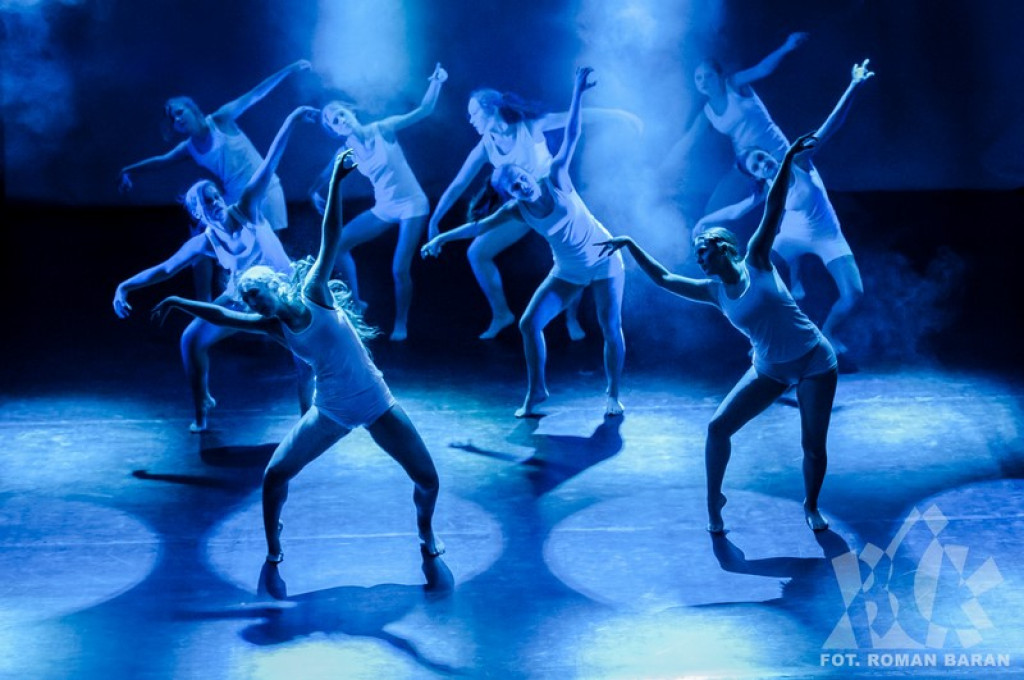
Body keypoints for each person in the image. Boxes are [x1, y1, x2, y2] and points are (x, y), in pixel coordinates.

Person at [152, 151, 444, 564]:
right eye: (248, 300)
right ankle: (274, 545)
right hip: (331, 410)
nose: (252, 304)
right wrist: (178, 300)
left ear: (274, 284)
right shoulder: (273, 326)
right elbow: (223, 315)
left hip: (376, 402)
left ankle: (426, 530)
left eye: (255, 294)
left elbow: (331, 235)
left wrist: (337, 180)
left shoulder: (314, 292)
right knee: (274, 475)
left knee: (428, 479)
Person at [599, 133, 836, 534]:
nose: (698, 259)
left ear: (723, 246)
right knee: (717, 428)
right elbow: (664, 278)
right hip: (769, 369)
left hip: (814, 360)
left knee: (812, 446)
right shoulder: (713, 291)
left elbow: (775, 206)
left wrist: (789, 159)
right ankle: (714, 502)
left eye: (702, 251)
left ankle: (811, 505)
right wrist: (629, 243)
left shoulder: (757, 260)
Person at [423, 67, 626, 419]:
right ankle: (536, 391)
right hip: (569, 270)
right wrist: (439, 231)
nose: (521, 185)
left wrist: (581, 93)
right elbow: (477, 224)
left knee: (610, 326)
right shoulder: (515, 207)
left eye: (522, 179)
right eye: (515, 187)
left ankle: (613, 393)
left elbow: (572, 131)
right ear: (510, 194)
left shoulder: (554, 175)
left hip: (603, 259)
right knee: (528, 323)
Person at [114, 106, 319, 433]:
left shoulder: (247, 208)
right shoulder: (205, 241)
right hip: (243, 298)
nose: (217, 202)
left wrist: (292, 118)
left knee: (304, 357)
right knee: (191, 339)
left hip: (284, 293)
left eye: (216, 196)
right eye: (208, 202)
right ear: (199, 213)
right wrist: (124, 286)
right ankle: (202, 408)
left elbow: (270, 162)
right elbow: (165, 269)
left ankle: (308, 423)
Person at [693, 60, 875, 367]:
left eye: (762, 157)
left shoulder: (799, 162)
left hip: (827, 234)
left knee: (853, 294)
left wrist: (854, 84)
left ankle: (827, 335)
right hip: (792, 236)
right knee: (753, 281)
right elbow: (736, 212)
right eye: (756, 165)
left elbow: (830, 126)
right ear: (755, 174)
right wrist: (704, 221)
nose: (763, 163)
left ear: (768, 154)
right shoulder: (765, 188)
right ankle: (763, 342)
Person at [427, 81, 641, 340]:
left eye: (474, 113)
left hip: (556, 203)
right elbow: (458, 185)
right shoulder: (486, 146)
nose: (471, 119)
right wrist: (435, 221)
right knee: (477, 252)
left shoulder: (529, 126)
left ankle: (571, 318)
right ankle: (501, 314)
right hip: (523, 209)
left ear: (491, 108)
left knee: (573, 258)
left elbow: (574, 119)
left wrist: (620, 115)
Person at [118, 60, 310, 299]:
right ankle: (206, 302)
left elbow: (255, 94)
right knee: (199, 238)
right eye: (173, 119)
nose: (177, 119)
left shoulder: (220, 120)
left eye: (179, 112)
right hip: (233, 197)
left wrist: (290, 69)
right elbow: (161, 160)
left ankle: (284, 298)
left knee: (270, 251)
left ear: (192, 109)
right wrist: (128, 170)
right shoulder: (189, 147)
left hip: (263, 190)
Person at [309, 63, 448, 341]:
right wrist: (314, 192)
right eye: (334, 120)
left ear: (351, 113)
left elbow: (424, 110)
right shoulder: (346, 150)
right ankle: (357, 301)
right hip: (385, 206)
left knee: (399, 268)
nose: (340, 119)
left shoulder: (382, 129)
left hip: (412, 205)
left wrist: (437, 81)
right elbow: (324, 176)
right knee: (338, 244)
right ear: (335, 130)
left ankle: (401, 322)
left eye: (341, 113)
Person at [676, 33, 808, 215]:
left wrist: (786, 46)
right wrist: (660, 171)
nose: (703, 81)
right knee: (714, 209)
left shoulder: (734, 84)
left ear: (719, 76)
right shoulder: (707, 112)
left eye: (708, 75)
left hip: (775, 151)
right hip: (747, 162)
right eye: (698, 78)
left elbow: (762, 69)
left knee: (792, 203)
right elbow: (687, 141)